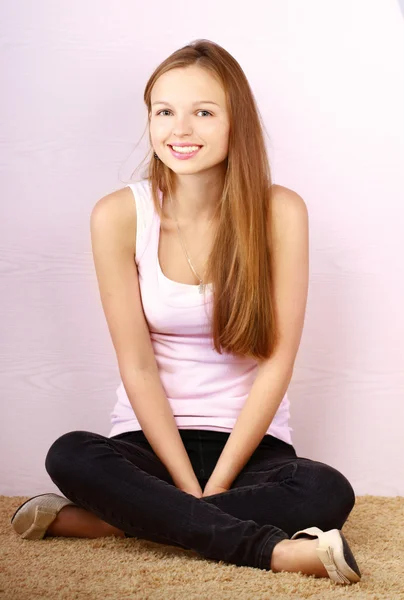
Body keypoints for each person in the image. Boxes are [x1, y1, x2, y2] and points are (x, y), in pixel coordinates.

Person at [11, 39, 361, 585]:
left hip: (253, 450)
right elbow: (138, 366)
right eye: (164, 112)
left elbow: (277, 362)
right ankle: (273, 552)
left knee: (328, 491)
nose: (181, 129)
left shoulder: (281, 211)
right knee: (71, 454)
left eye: (203, 112)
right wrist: (181, 482)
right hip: (147, 445)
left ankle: (121, 521)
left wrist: (214, 489)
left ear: (234, 122)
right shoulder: (118, 215)